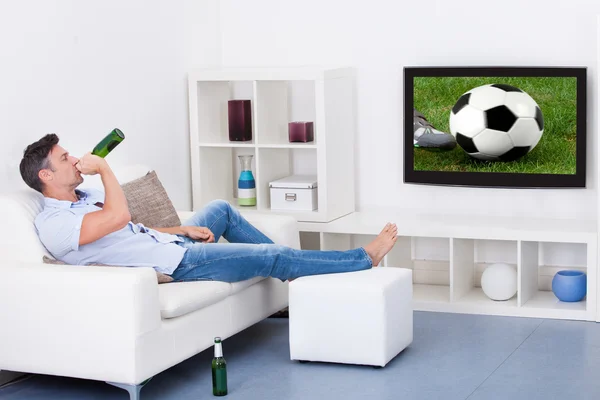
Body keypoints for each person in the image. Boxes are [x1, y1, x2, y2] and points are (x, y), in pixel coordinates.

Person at [19, 134, 398, 283]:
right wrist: (104, 168)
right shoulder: (54, 223)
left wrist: (180, 230)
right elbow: (119, 217)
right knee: (272, 253)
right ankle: (363, 258)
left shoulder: (83, 201)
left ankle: (293, 272)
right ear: (46, 176)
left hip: (172, 245)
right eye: (64, 158)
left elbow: (127, 230)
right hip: (178, 264)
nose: (74, 159)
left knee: (220, 209)